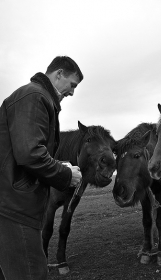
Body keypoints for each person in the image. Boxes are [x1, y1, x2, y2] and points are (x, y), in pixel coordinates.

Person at [0, 56, 83, 280]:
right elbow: (30, 155)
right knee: (31, 273)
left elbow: (26, 150)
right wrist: (66, 175)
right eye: (72, 85)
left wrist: (58, 164)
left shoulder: (34, 97)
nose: (72, 92)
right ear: (58, 75)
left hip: (14, 204)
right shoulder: (34, 97)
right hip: (15, 207)